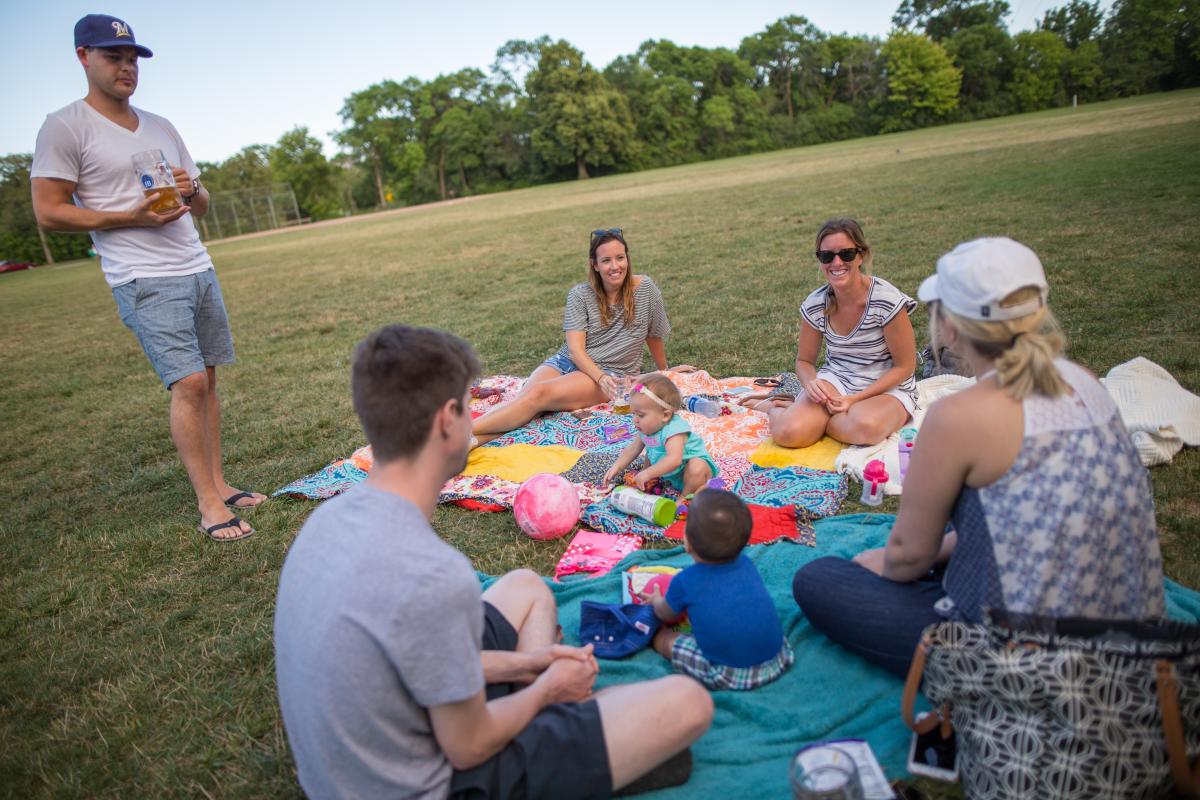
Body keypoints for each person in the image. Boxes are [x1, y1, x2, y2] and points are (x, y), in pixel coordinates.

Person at [274, 325, 713, 799]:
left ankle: (560, 722)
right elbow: (468, 746)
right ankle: (564, 739)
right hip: (435, 781)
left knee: (526, 585)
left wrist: (532, 662)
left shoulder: (328, 518)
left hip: (350, 763)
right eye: (471, 407)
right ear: (447, 420)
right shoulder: (433, 573)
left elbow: (411, 654)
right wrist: (548, 689)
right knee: (688, 703)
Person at [792, 237, 1165, 678]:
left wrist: (883, 563)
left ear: (949, 325)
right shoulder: (1084, 380)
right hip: (1134, 625)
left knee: (817, 579)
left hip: (1024, 657)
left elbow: (908, 557)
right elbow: (1035, 512)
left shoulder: (957, 417)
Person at [31, 14, 263, 542]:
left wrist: (190, 187)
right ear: (83, 57)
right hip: (142, 274)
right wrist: (127, 217)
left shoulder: (160, 125)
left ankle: (222, 483)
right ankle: (209, 505)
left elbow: (201, 204)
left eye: (133, 59)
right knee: (188, 383)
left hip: (195, 264)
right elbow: (48, 211)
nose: (126, 68)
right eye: (114, 57)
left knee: (208, 379)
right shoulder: (66, 126)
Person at [472, 228, 676, 445]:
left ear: (627, 258)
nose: (615, 266)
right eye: (606, 260)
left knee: (539, 395)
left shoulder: (646, 289)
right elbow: (575, 351)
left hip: (610, 371)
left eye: (620, 258)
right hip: (568, 362)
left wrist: (664, 371)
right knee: (527, 398)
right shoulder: (580, 295)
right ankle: (470, 441)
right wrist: (601, 378)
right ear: (595, 265)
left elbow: (654, 334)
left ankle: (455, 435)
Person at [749, 218, 918, 448]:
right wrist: (810, 383)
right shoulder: (815, 304)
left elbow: (905, 367)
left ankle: (816, 422)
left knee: (868, 428)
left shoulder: (886, 300)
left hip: (886, 385)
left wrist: (855, 400)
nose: (836, 263)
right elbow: (804, 361)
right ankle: (774, 408)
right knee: (789, 433)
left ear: (861, 256)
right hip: (838, 380)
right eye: (827, 256)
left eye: (846, 254)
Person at [639, 489, 793, 691]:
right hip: (777, 657)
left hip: (729, 672)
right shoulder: (747, 564)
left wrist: (657, 600)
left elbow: (665, 613)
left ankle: (661, 640)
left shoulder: (686, 581)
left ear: (687, 543)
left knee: (664, 638)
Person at [603, 372, 718, 497]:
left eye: (640, 415)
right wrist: (617, 467)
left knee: (697, 466)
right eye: (633, 414)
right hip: (671, 475)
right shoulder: (647, 428)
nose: (635, 419)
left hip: (694, 475)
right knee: (651, 451)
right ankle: (649, 482)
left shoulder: (674, 430)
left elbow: (674, 460)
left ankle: (685, 497)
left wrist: (647, 474)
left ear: (665, 415)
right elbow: (633, 449)